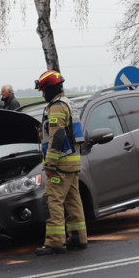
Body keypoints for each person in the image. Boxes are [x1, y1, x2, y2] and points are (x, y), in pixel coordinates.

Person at [33, 70, 87, 255]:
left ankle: (55, 242)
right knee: (73, 202)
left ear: (50, 89)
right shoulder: (69, 104)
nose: (42, 94)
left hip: (60, 165)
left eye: (43, 90)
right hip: (72, 164)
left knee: (52, 201)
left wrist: (50, 164)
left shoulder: (56, 107)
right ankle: (78, 238)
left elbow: (57, 137)